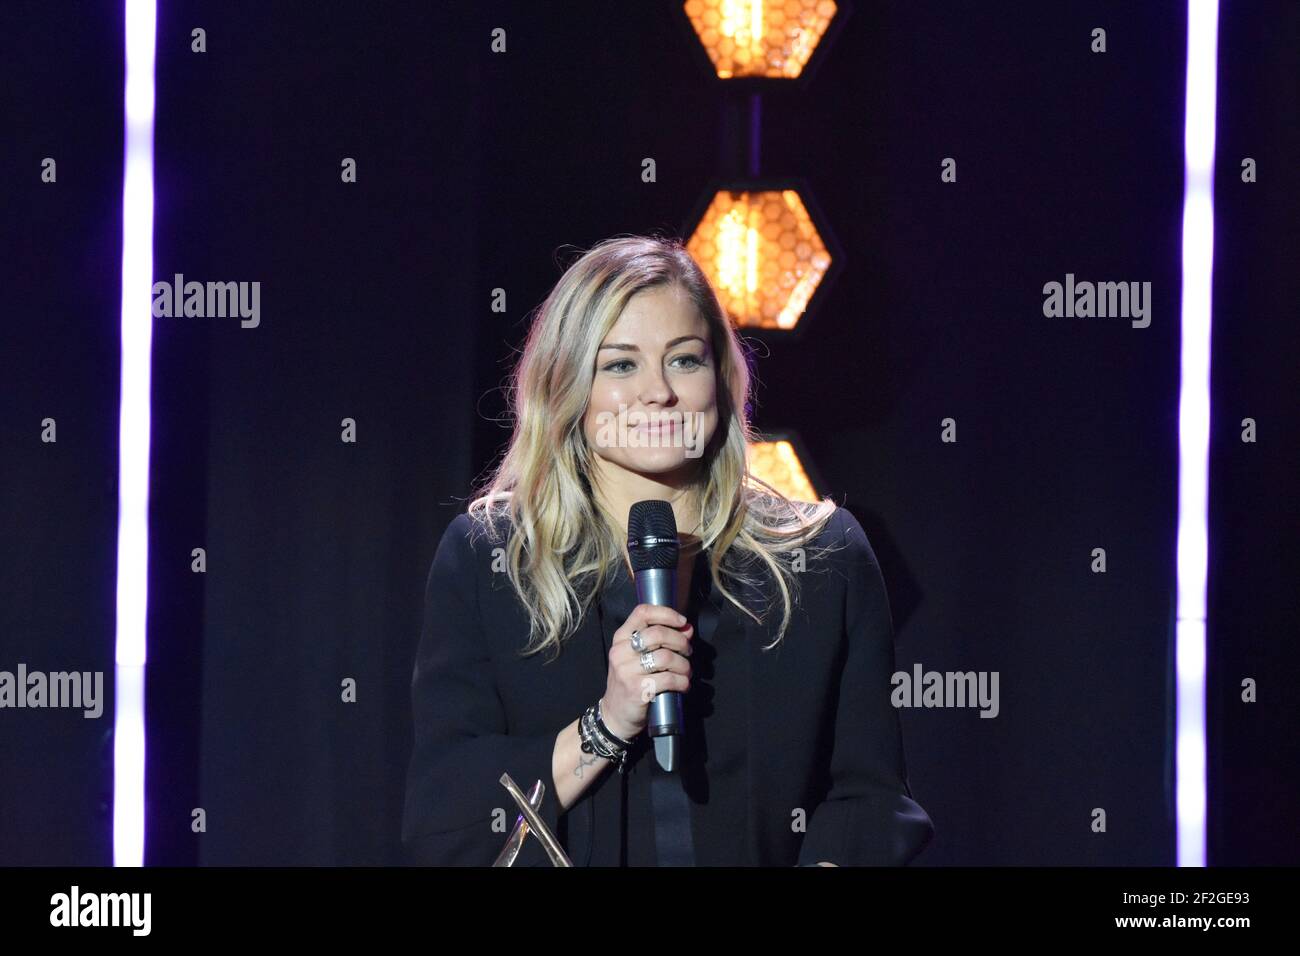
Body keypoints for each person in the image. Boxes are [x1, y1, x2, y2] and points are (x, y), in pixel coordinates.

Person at [401, 234, 934, 866]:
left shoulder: (822, 557)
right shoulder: (492, 562)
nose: (659, 392)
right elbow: (444, 817)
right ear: (570, 387)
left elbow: (872, 800)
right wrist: (604, 725)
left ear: (721, 379)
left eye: (684, 359)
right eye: (621, 364)